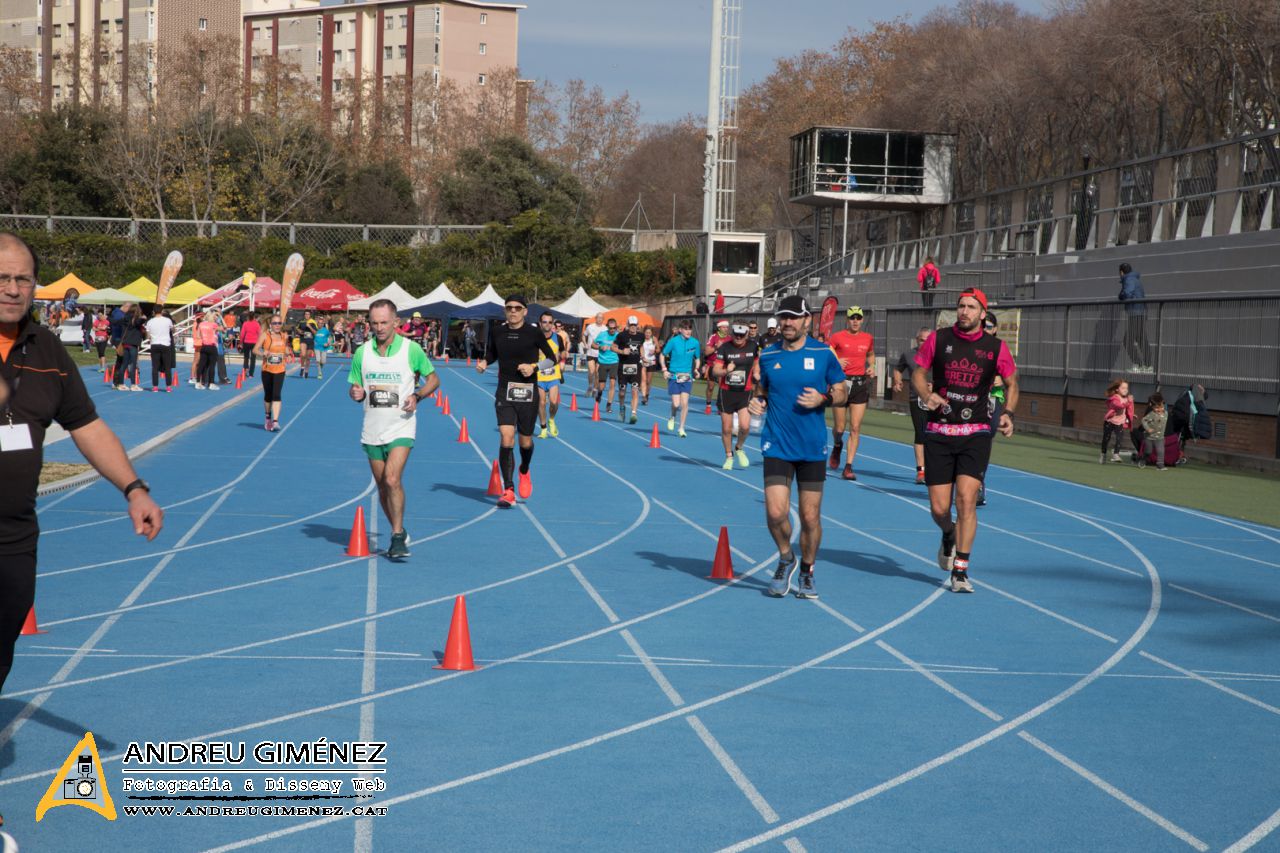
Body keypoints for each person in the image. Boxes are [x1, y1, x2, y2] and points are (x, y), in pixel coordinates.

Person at [0, 232, 163, 697]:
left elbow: (86, 426)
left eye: (23, 279)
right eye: (2, 278)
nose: (12, 289)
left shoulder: (48, 350)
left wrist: (134, 489)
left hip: (13, 536)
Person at [912, 287, 1018, 594]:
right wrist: (926, 393)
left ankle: (961, 569)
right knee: (939, 508)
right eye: (961, 306)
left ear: (983, 314)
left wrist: (1008, 412)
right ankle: (948, 533)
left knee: (966, 500)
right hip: (939, 432)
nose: (964, 311)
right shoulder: (939, 339)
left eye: (971, 307)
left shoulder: (996, 347)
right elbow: (919, 373)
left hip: (975, 433)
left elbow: (1012, 382)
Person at [748, 295, 846, 599]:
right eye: (783, 317)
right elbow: (761, 389)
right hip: (777, 443)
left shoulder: (823, 353)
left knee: (810, 517)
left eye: (793, 317)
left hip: (811, 447)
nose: (787, 322)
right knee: (776, 513)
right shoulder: (767, 355)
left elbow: (842, 391)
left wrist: (824, 399)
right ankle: (785, 557)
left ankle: (807, 570)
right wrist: (756, 401)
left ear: (806, 320)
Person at [349, 300, 438, 559]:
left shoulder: (411, 350)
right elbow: (355, 388)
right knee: (382, 487)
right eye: (374, 323)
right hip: (372, 428)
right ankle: (398, 527)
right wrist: (355, 393)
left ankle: (397, 537)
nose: (379, 327)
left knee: (392, 479)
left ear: (396, 322)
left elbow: (434, 379)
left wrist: (418, 396)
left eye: (384, 322)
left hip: (402, 424)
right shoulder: (362, 353)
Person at [477, 295, 558, 508]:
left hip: (528, 392)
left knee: (525, 442)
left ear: (524, 311)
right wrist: (485, 362)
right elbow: (492, 353)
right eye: (509, 308)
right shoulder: (497, 331)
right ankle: (509, 489)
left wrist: (534, 367)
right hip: (505, 390)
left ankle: (524, 469)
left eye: (517, 308)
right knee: (506, 436)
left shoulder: (534, 332)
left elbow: (552, 358)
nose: (512, 311)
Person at [827, 305, 875, 480]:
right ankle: (837, 444)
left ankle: (848, 467)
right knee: (840, 427)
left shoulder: (868, 338)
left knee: (855, 427)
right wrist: (837, 361)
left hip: (860, 384)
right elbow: (827, 353)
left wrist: (872, 366)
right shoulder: (837, 337)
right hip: (841, 384)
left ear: (862, 320)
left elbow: (870, 354)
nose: (855, 321)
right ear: (847, 319)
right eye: (852, 318)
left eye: (858, 318)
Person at [712, 322, 760, 469]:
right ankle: (729, 456)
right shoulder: (724, 348)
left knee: (745, 427)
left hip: (744, 392)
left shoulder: (753, 346)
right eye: (736, 334)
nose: (738, 337)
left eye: (742, 335)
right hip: (726, 392)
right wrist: (727, 370)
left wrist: (757, 372)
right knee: (727, 428)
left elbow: (757, 362)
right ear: (732, 333)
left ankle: (739, 447)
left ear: (747, 334)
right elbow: (715, 371)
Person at [892, 326, 933, 485]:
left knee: (936, 436)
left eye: (928, 340)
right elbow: (898, 368)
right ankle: (921, 471)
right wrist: (898, 381)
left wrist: (935, 386)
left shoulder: (939, 355)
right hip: (916, 399)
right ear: (917, 340)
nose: (925, 343)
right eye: (922, 340)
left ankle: (935, 469)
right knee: (921, 434)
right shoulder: (909, 354)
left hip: (937, 399)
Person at [660, 320, 701, 437]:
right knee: (676, 404)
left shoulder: (695, 343)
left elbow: (697, 358)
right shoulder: (673, 342)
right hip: (674, 375)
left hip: (687, 376)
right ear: (680, 330)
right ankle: (672, 415)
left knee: (685, 403)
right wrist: (664, 369)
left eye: (690, 329)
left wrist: (696, 369)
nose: (688, 331)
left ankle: (681, 428)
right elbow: (662, 355)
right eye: (686, 329)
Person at [253, 314, 289, 431]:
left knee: (277, 395)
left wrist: (288, 351)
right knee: (268, 395)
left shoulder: (284, 336)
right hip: (267, 369)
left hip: (280, 369)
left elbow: (286, 349)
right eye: (275, 323)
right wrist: (263, 353)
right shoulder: (265, 335)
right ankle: (268, 417)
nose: (277, 325)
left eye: (279, 323)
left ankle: (275, 421)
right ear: (270, 324)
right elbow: (255, 349)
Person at [536, 311, 564, 438]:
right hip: (539, 375)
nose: (547, 324)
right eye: (544, 322)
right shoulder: (535, 337)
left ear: (552, 324)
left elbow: (563, 352)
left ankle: (551, 419)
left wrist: (563, 356)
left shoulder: (557, 338)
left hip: (553, 375)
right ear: (540, 323)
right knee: (541, 403)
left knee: (553, 402)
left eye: (550, 322)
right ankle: (543, 428)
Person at [1118, 262, 1152, 369]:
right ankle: (1148, 365)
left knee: (1127, 341)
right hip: (1140, 313)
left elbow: (1127, 293)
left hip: (1135, 313)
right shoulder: (1135, 279)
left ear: (1121, 272)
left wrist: (1120, 295)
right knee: (1141, 339)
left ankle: (1139, 364)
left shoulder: (1129, 280)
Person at [612, 316, 644, 423]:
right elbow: (613, 347)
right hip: (623, 367)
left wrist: (643, 357)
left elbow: (641, 347)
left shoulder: (641, 336)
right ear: (628, 325)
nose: (633, 327)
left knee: (635, 390)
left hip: (636, 367)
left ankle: (634, 413)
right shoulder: (621, 335)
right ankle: (622, 408)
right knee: (622, 392)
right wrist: (622, 352)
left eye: (635, 325)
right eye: (631, 325)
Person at [1101, 378, 1134, 464]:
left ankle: (1116, 454)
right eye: (1123, 388)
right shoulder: (1114, 398)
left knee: (1119, 438)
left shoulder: (1126, 399)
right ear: (1117, 389)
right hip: (1110, 421)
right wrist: (1128, 402)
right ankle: (1103, 454)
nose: (1125, 390)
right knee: (1106, 439)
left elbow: (1126, 409)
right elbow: (1119, 406)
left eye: (1126, 388)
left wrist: (1131, 415)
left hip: (1120, 422)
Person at [703, 319, 732, 414]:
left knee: (722, 387)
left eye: (727, 327)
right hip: (712, 365)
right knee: (711, 387)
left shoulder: (729, 339)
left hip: (723, 366)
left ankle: (720, 407)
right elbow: (706, 352)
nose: (726, 329)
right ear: (719, 328)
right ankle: (708, 405)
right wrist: (716, 347)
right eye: (724, 327)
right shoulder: (713, 337)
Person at [144, 307, 175, 392]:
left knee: (155, 366)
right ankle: (168, 386)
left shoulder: (150, 321)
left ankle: (155, 386)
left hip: (155, 344)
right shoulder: (167, 320)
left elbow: (148, 336)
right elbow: (173, 329)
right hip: (165, 344)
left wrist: (152, 337)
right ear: (162, 311)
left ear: (153, 312)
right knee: (167, 366)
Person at [593, 317, 620, 413]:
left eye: (614, 328)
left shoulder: (619, 336)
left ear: (616, 327)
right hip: (603, 362)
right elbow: (593, 345)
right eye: (610, 328)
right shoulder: (602, 335)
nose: (612, 330)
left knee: (612, 384)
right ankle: (599, 394)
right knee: (602, 386)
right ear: (607, 327)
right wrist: (600, 347)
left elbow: (624, 347)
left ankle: (609, 405)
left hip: (614, 362)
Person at [117, 305, 145, 391]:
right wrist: (144, 318)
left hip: (125, 343)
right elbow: (139, 321)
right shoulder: (136, 319)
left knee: (124, 364)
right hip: (133, 344)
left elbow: (116, 322)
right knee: (133, 364)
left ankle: (121, 384)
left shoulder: (125, 318)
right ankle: (133, 385)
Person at [1137, 393, 1167, 470]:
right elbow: (1144, 420)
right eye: (1157, 408)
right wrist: (1148, 429)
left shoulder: (1166, 413)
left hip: (1160, 437)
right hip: (1149, 437)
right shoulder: (1152, 414)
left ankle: (1160, 465)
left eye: (1161, 407)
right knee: (1148, 452)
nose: (1159, 409)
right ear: (1152, 406)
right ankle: (1143, 459)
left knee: (1161, 451)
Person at [193, 309, 220, 390]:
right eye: (215, 316)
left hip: (204, 346)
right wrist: (221, 317)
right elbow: (224, 328)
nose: (216, 317)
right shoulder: (213, 324)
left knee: (201, 364)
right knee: (212, 365)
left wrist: (205, 337)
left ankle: (198, 382)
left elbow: (198, 335)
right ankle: (211, 383)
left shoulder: (201, 324)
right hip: (212, 346)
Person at [583, 312, 606, 394]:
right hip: (590, 352)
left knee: (597, 373)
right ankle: (590, 385)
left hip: (600, 354)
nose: (599, 319)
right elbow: (583, 335)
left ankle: (595, 388)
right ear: (595, 318)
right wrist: (585, 344)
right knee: (591, 371)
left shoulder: (605, 329)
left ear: (603, 319)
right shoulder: (590, 327)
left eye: (601, 318)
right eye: (598, 317)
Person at [639, 325, 658, 405]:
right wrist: (643, 357)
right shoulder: (641, 339)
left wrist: (654, 351)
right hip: (643, 361)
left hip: (651, 361)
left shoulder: (654, 339)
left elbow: (658, 349)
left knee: (648, 381)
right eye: (646, 332)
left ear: (651, 333)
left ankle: (646, 395)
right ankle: (643, 396)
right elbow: (639, 348)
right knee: (643, 379)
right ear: (644, 333)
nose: (647, 334)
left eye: (649, 333)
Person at [296, 310, 318, 379]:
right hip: (303, 339)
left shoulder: (313, 322)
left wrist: (309, 327)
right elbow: (297, 328)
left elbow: (315, 332)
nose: (306, 315)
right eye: (305, 314)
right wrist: (300, 331)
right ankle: (302, 367)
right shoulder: (301, 321)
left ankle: (306, 371)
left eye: (308, 314)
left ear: (310, 315)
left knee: (308, 357)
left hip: (310, 341)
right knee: (303, 354)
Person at [240, 312, 261, 377]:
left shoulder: (245, 323)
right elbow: (259, 333)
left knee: (246, 357)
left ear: (248, 317)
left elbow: (242, 334)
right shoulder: (257, 324)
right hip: (254, 342)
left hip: (246, 342)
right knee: (253, 358)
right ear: (254, 317)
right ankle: (251, 374)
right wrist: (259, 343)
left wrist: (241, 342)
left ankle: (245, 371)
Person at [91, 308, 110, 373]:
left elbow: (104, 328)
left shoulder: (106, 321)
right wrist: (98, 328)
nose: (99, 317)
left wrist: (98, 328)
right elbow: (93, 328)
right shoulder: (96, 321)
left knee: (102, 352)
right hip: (97, 338)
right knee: (99, 353)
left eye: (100, 315)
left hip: (104, 338)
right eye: (98, 315)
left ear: (103, 315)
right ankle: (101, 367)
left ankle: (103, 367)